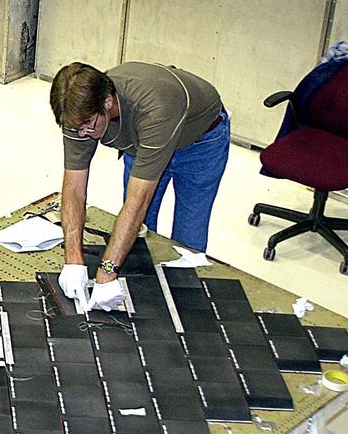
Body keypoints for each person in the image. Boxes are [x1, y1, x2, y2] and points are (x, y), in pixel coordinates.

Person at [51, 61, 230, 310]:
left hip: (199, 142)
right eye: (75, 128)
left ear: (107, 103)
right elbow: (73, 189)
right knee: (141, 237)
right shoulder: (79, 113)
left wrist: (106, 272)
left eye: (87, 126)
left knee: (187, 243)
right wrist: (73, 260)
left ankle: (184, 314)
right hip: (141, 140)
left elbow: (138, 202)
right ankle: (145, 307)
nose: (81, 134)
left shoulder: (154, 110)